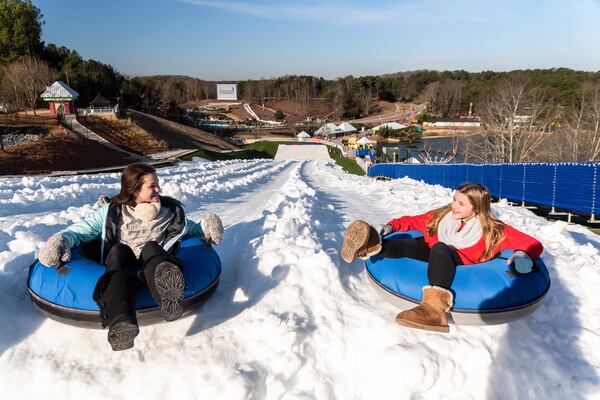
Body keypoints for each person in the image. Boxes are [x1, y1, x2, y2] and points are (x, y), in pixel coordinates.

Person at [38, 163, 224, 351]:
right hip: (121, 262)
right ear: (134, 189)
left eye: (157, 183)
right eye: (152, 186)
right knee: (119, 250)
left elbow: (189, 228)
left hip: (153, 261)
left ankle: (167, 292)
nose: (158, 189)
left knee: (152, 247)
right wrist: (61, 240)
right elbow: (81, 231)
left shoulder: (169, 212)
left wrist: (206, 227)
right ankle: (121, 322)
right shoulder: (112, 211)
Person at [340, 183, 543, 333]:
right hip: (431, 255)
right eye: (454, 199)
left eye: (461, 203)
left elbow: (532, 243)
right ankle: (370, 245)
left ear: (477, 208)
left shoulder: (493, 230)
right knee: (411, 244)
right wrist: (390, 227)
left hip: (457, 264)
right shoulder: (442, 216)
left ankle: (434, 310)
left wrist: (521, 254)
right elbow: (412, 222)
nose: (454, 205)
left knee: (439, 248)